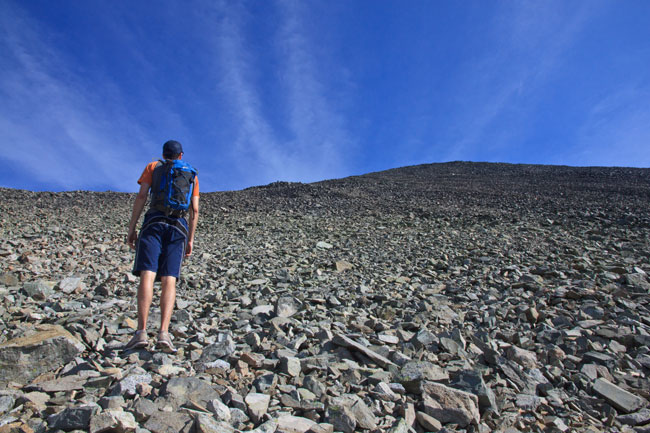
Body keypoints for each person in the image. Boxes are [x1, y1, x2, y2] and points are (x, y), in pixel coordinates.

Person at [124, 140, 199, 352]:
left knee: (147, 274)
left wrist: (132, 228)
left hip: (153, 222)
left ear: (163, 154)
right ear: (181, 156)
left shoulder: (152, 167)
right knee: (169, 279)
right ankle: (164, 333)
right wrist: (190, 240)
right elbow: (194, 210)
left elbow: (141, 196)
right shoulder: (191, 174)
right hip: (178, 226)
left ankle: (141, 332)